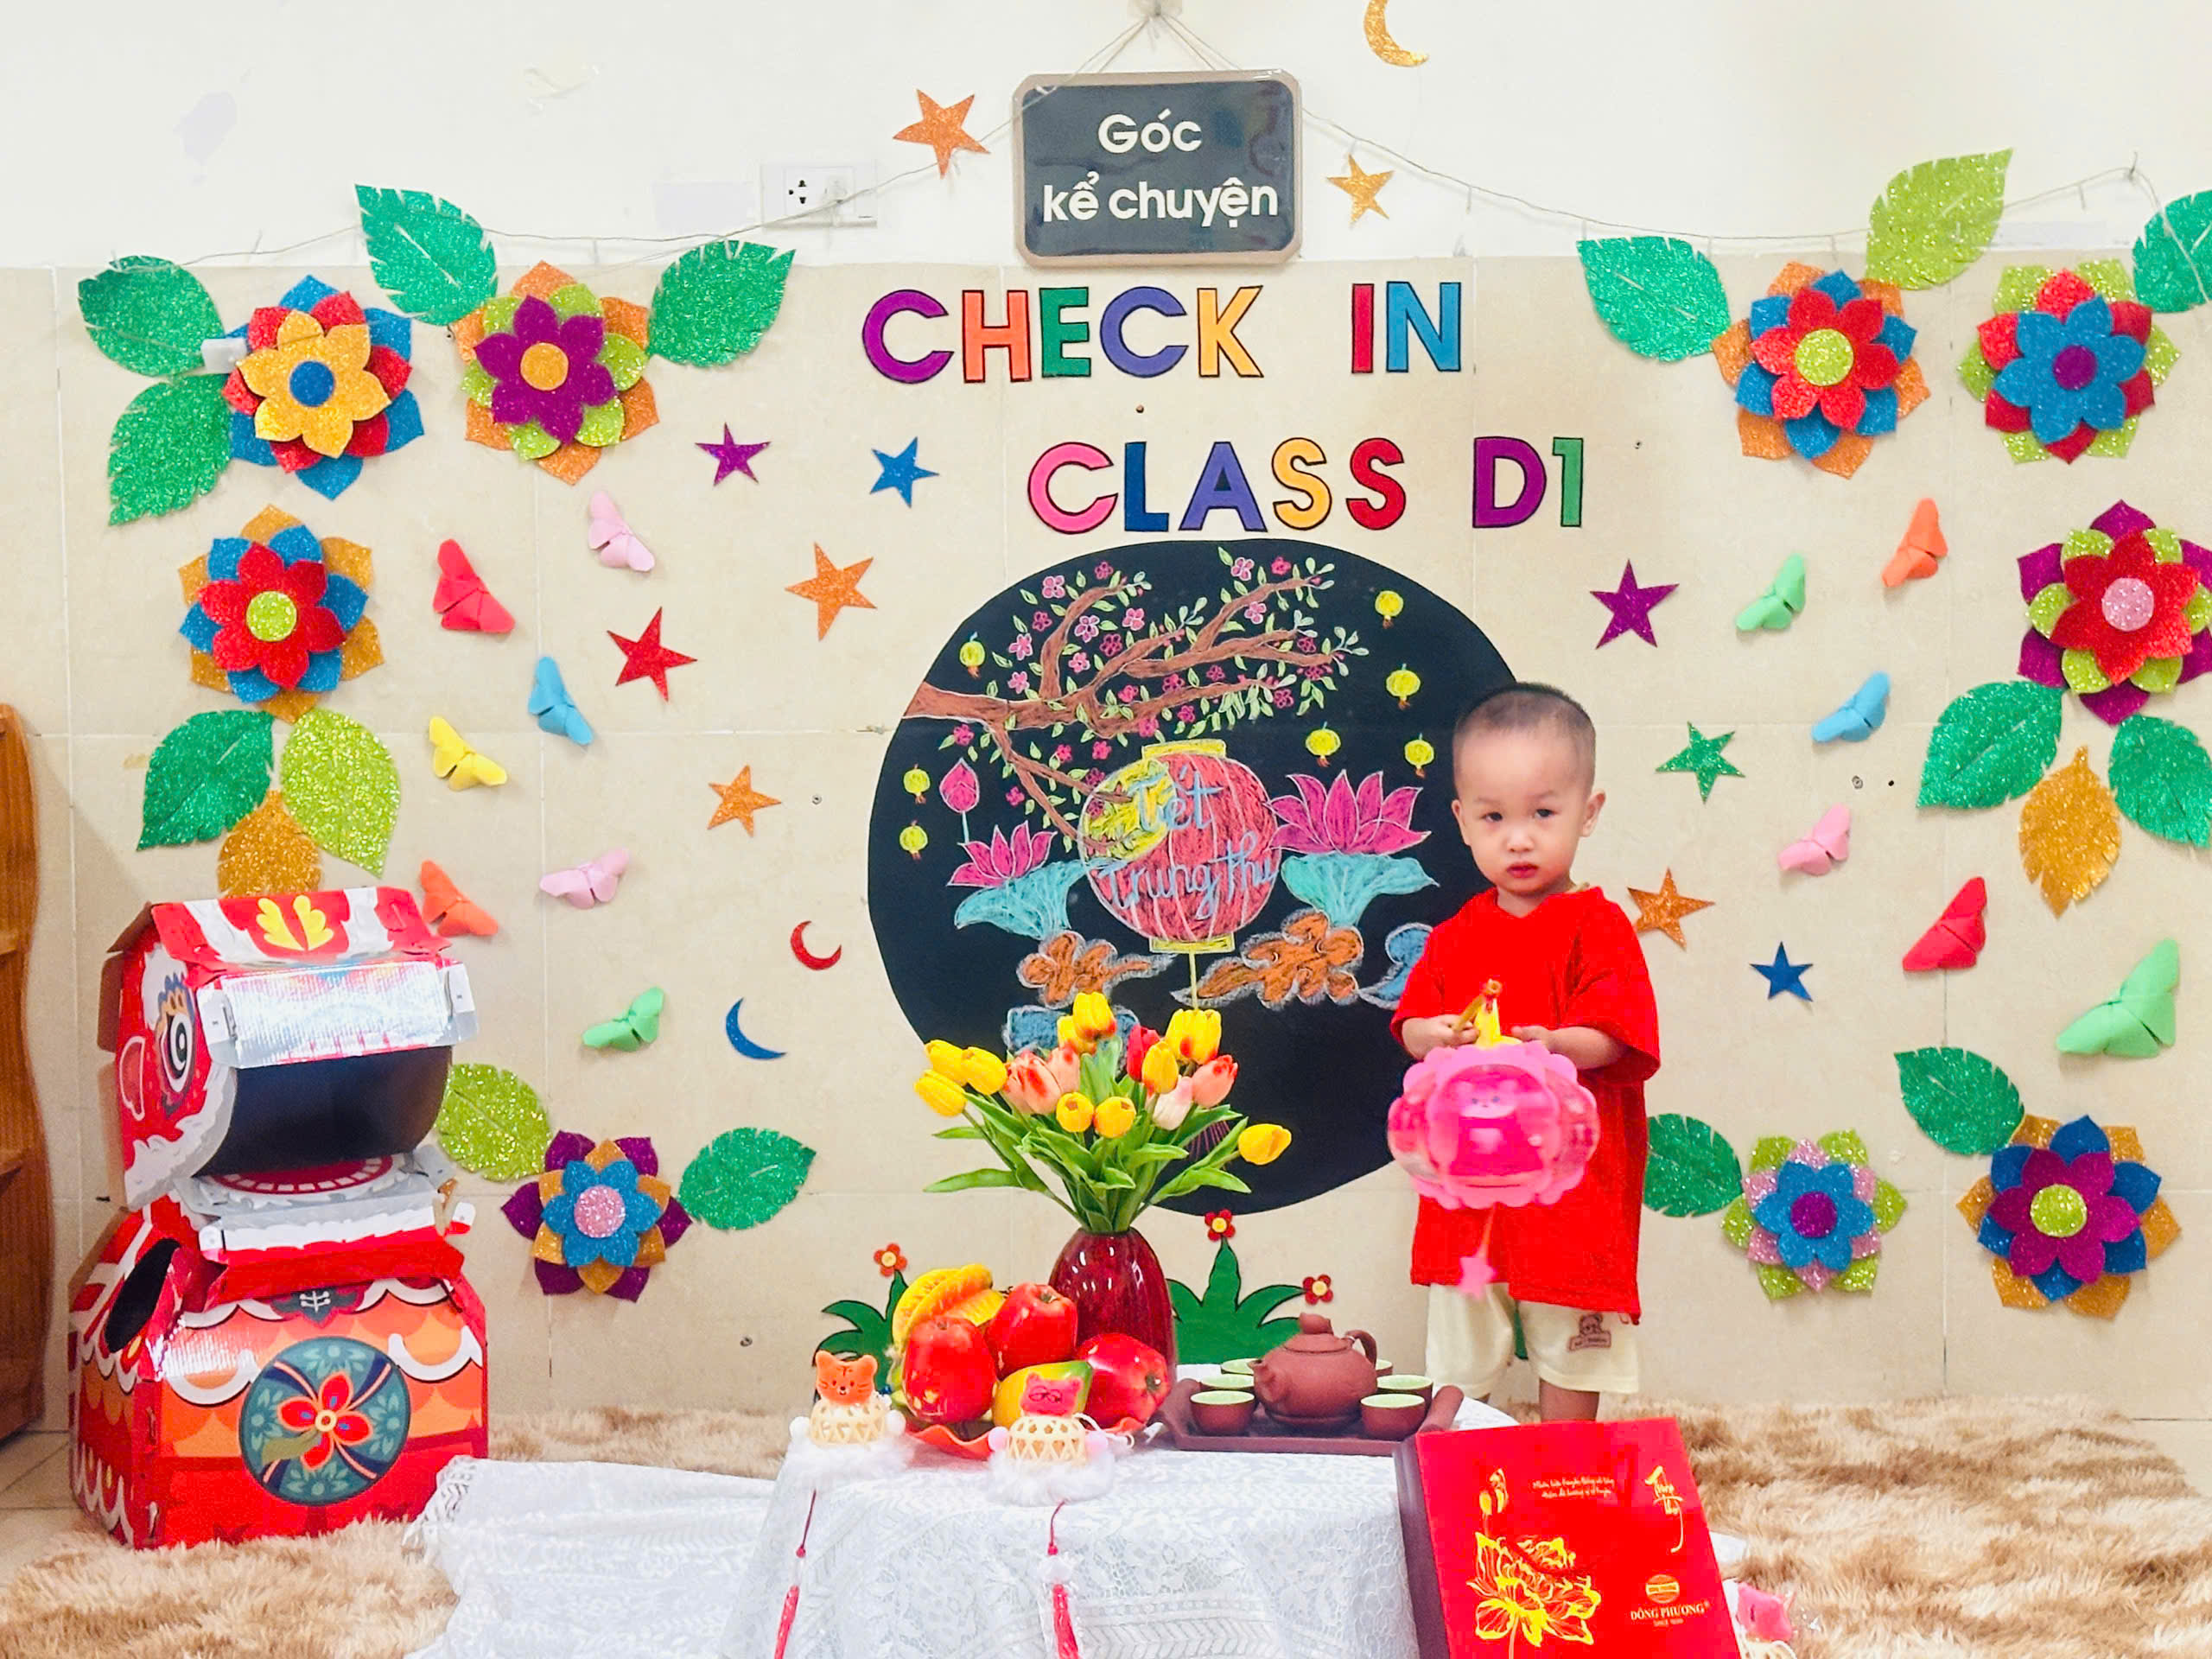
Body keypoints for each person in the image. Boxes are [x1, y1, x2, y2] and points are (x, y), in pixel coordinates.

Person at [1390, 683, 1659, 1422]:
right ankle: (1451, 1461)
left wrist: (1556, 1046)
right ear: (1462, 821)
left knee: (1571, 1338)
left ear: (1588, 812)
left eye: (1543, 814)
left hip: (1572, 1196)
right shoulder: (1455, 936)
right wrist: (1435, 1034)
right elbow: (1411, 1026)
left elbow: (1618, 1035)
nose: (1518, 839)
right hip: (1469, 1197)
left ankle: (1563, 1465)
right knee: (1460, 1350)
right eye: (1494, 817)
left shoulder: (1598, 927)